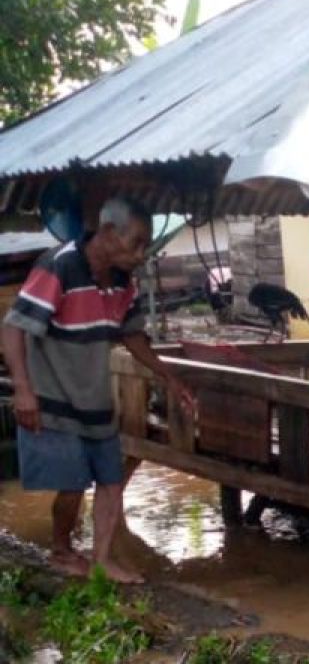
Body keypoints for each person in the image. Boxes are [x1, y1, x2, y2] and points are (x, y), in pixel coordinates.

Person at [1, 197, 195, 583]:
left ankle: (102, 558)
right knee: (72, 483)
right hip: (55, 398)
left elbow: (133, 335)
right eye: (136, 243)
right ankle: (61, 550)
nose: (141, 254)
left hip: (95, 400)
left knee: (109, 479)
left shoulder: (123, 281)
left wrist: (168, 377)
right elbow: (13, 328)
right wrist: (23, 390)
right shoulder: (60, 266)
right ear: (108, 233)